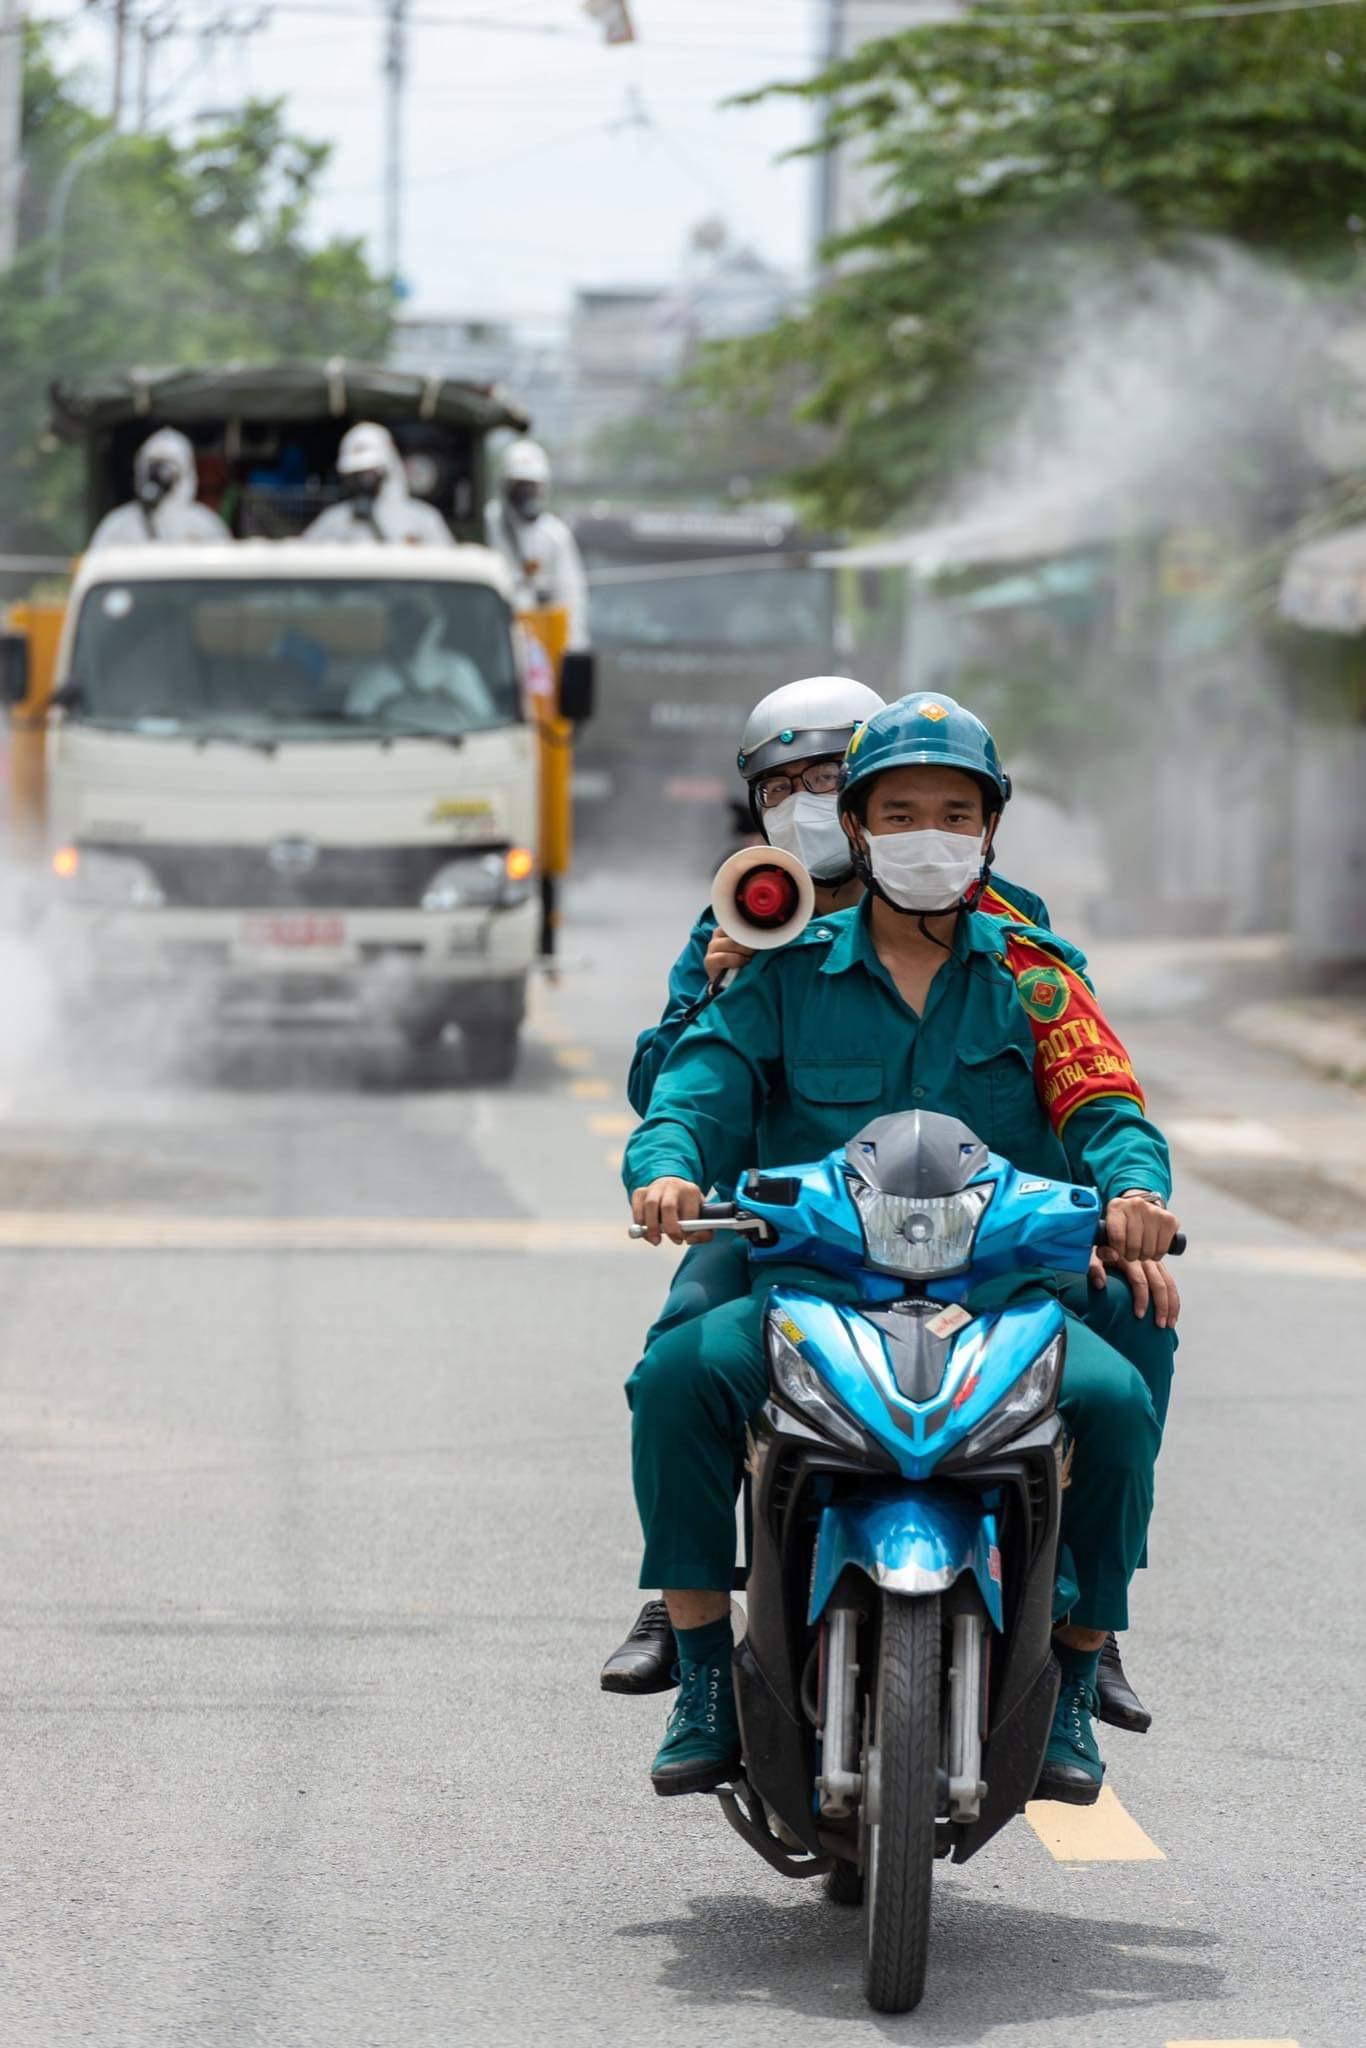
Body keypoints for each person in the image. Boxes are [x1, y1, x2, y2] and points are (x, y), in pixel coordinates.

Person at [623, 693, 1180, 1804]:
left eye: (954, 810)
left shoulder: (1034, 975)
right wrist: (667, 1165)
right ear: (862, 826)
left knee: (1117, 1396)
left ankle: (1076, 1662)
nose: (930, 830)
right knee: (679, 1373)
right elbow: (695, 1084)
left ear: (987, 831)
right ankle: (696, 1663)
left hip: (999, 1292)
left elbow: (1108, 1104)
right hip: (814, 1285)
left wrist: (1133, 1192)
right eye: (902, 808)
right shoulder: (779, 964)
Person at [485, 438, 589, 649]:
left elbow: (572, 598)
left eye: (533, 487)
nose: (528, 494)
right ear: (505, 485)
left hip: (539, 640)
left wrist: (573, 652)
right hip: (493, 634)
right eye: (521, 486)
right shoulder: (488, 524)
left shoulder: (555, 535)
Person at [302, 422, 454, 547]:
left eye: (370, 473)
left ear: (388, 468)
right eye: (356, 474)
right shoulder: (334, 521)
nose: (363, 481)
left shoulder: (423, 519)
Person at [87, 428, 231, 549]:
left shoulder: (204, 525)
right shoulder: (118, 526)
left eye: (168, 467)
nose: (159, 476)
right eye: (153, 466)